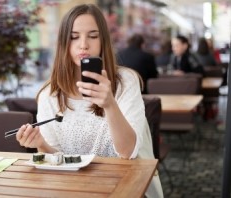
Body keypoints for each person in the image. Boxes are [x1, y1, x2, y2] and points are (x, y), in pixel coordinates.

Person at [16, 4, 163, 197]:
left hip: (124, 186)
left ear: (103, 41)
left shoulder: (125, 81)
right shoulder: (50, 95)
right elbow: (57, 158)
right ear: (63, 43)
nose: (83, 44)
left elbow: (128, 152)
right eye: (74, 37)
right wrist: (40, 144)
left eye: (93, 36)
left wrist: (109, 104)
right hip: (72, 188)